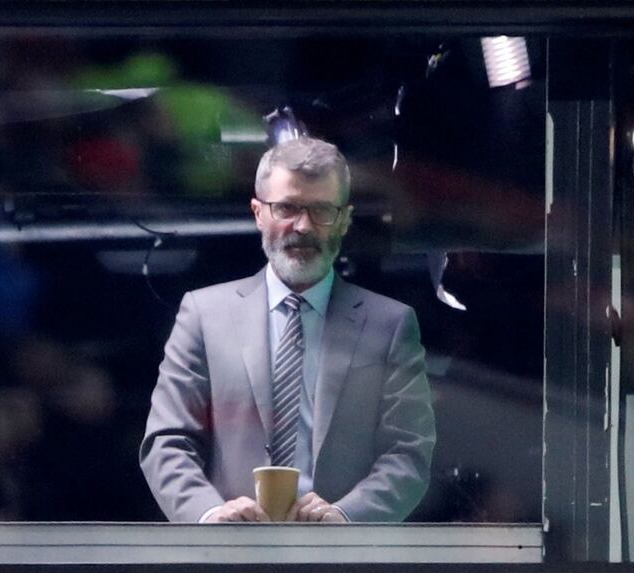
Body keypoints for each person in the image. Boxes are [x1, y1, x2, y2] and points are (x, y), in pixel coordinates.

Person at [140, 137, 435, 523]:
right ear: (258, 213)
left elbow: (408, 454)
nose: (303, 226)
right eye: (287, 208)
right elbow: (167, 442)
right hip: (231, 558)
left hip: (340, 562)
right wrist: (209, 515)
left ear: (345, 219)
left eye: (322, 210)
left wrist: (346, 518)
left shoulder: (391, 325)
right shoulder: (203, 314)